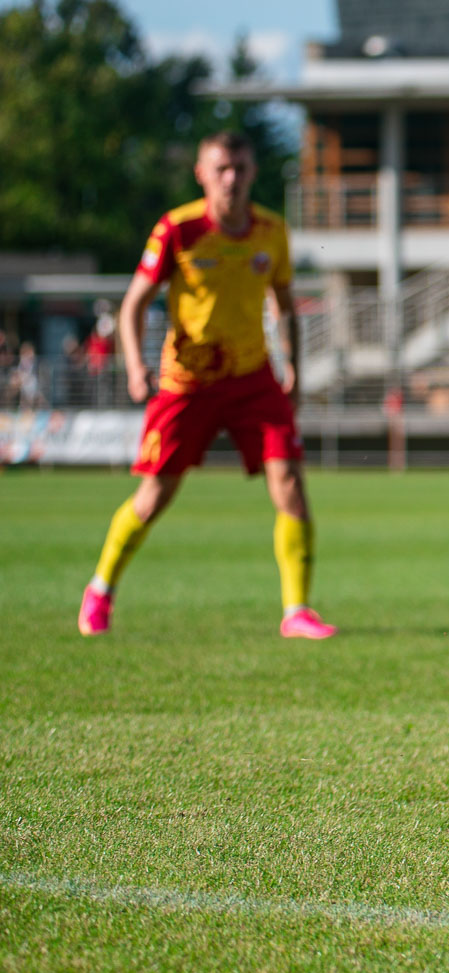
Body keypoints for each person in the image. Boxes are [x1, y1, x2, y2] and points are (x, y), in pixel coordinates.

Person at [78, 132, 332, 639]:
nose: (231, 178)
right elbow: (133, 304)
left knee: (290, 483)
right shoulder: (178, 228)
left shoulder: (272, 231)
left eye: (240, 168)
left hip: (253, 377)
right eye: (221, 169)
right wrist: (135, 366)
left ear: (253, 172)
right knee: (155, 494)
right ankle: (100, 591)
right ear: (201, 174)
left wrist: (294, 369)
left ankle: (297, 610)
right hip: (187, 381)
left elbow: (284, 305)